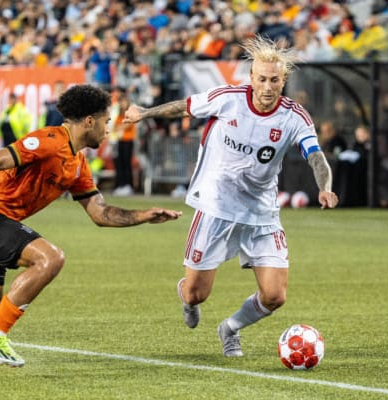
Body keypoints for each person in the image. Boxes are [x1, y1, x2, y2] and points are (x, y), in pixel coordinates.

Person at [0, 84, 182, 368]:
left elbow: (99, 213)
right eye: (105, 121)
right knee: (50, 258)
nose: (107, 128)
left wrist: (144, 215)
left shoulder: (77, 164)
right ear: (89, 121)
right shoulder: (51, 140)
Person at [123, 36, 338, 357]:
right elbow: (185, 106)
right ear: (251, 78)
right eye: (262, 79)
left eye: (275, 80)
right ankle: (186, 295)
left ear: (284, 80)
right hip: (215, 208)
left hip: (261, 214)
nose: (268, 87)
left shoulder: (295, 117)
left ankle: (231, 328)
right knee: (197, 294)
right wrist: (145, 112)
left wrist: (325, 186)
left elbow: (315, 156)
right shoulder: (227, 99)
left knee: (275, 296)